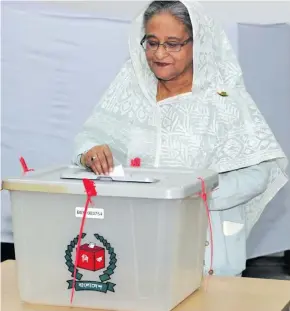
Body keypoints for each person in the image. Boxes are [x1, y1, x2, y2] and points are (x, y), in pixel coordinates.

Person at [72, 0, 288, 276]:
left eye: (173, 43)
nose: (159, 53)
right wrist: (91, 151)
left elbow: (260, 172)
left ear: (198, 44)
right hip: (136, 240)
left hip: (205, 247)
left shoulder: (223, 100)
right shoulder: (131, 89)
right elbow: (91, 136)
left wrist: (197, 194)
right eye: (152, 42)